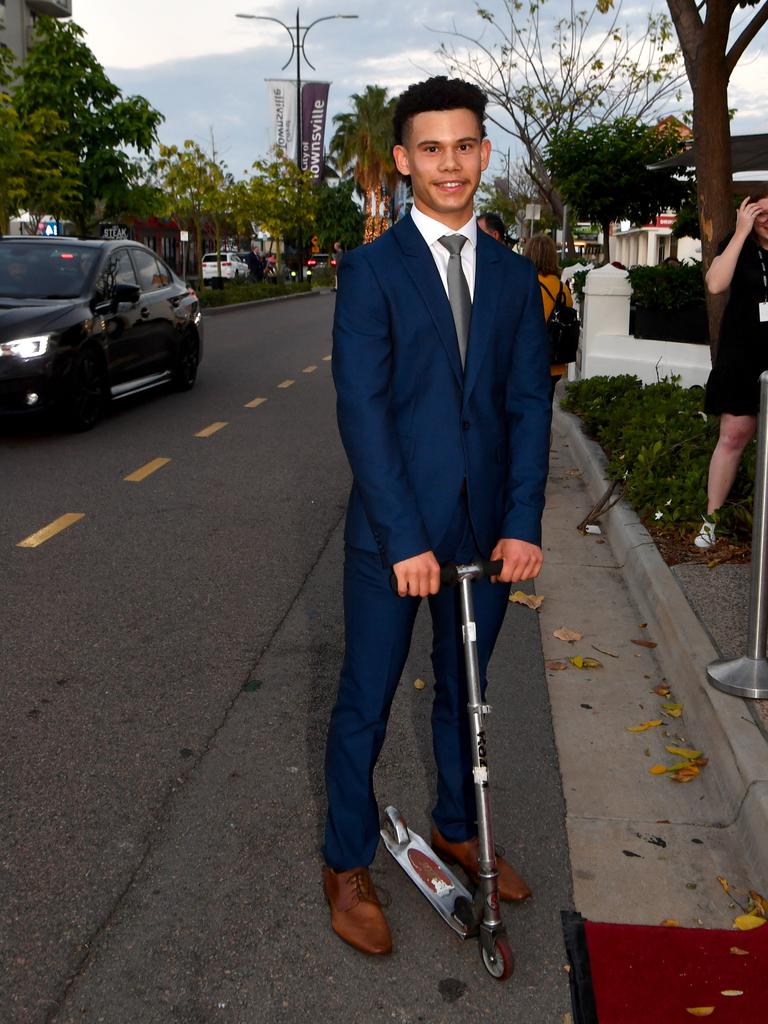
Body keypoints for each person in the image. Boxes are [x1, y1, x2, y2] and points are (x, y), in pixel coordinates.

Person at [323, 76, 552, 956]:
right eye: (431, 148)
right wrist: (405, 538)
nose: (449, 164)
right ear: (403, 160)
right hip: (394, 534)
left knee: (467, 692)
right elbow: (363, 409)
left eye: (464, 146)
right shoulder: (371, 269)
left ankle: (458, 826)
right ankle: (346, 861)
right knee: (366, 702)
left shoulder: (510, 272)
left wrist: (523, 520)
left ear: (484, 154)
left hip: (489, 531)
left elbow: (529, 404)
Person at [696, 189, 768, 548]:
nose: (765, 218)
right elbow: (715, 283)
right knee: (734, 436)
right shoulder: (738, 242)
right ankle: (712, 520)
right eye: (760, 211)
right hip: (743, 356)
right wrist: (741, 232)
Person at [523, 233, 574, 402]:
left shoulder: (525, 283)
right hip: (555, 363)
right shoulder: (562, 289)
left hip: (528, 361)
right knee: (545, 406)